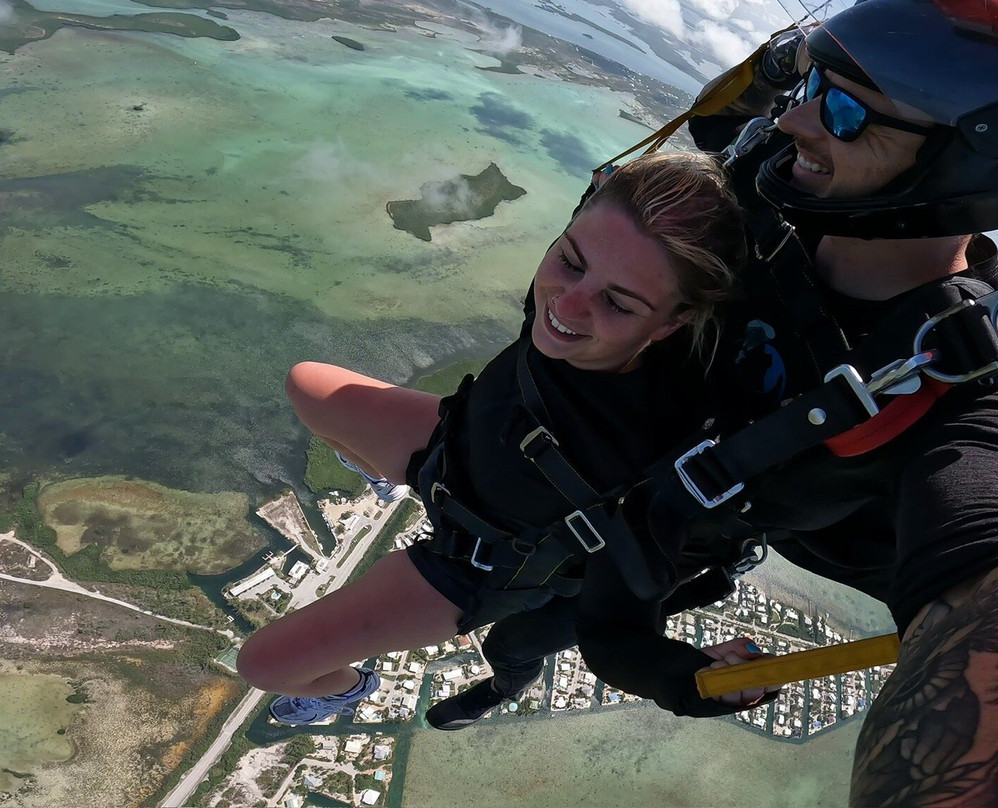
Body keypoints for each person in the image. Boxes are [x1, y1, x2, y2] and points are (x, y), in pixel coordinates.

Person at [566, 1, 998, 805]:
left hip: (691, 538)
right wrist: (787, 71)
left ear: (960, 168)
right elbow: (726, 118)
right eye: (813, 87)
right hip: (603, 484)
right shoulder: (772, 180)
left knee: (527, 627)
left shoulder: (977, 383)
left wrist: (671, 673)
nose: (796, 120)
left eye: (845, 113)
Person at [234, 151, 753, 726]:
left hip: (483, 563)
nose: (567, 304)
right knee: (306, 385)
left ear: (671, 324)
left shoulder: (658, 447)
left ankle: (347, 688)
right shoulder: (571, 305)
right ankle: (387, 477)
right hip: (457, 448)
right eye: (570, 261)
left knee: (264, 664)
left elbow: (617, 628)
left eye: (616, 302)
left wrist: (689, 679)